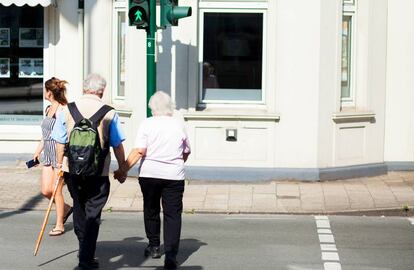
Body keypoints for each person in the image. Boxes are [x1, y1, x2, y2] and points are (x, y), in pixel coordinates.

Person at [51, 73, 126, 270]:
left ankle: (84, 249)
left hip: (72, 170)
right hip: (98, 172)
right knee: (93, 213)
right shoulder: (109, 112)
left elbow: (59, 142)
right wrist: (123, 168)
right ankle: (86, 257)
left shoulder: (67, 110)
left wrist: (59, 166)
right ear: (102, 91)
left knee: (79, 206)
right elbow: (117, 144)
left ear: (84, 89)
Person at [115, 91, 191, 270]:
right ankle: (171, 256)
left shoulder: (147, 124)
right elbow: (186, 151)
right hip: (174, 176)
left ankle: (154, 246)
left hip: (150, 174)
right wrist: (175, 163)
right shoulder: (179, 125)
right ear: (169, 107)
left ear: (152, 108)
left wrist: (123, 170)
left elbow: (140, 150)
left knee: (151, 209)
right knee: (173, 215)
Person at [33, 77, 72, 236]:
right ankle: (67, 208)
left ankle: (59, 225)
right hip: (48, 155)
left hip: (59, 156)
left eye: (44, 89)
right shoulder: (48, 109)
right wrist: (37, 151)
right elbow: (45, 135)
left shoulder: (63, 110)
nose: (43, 92)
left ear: (49, 92)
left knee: (56, 191)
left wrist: (60, 162)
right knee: (45, 191)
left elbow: (63, 136)